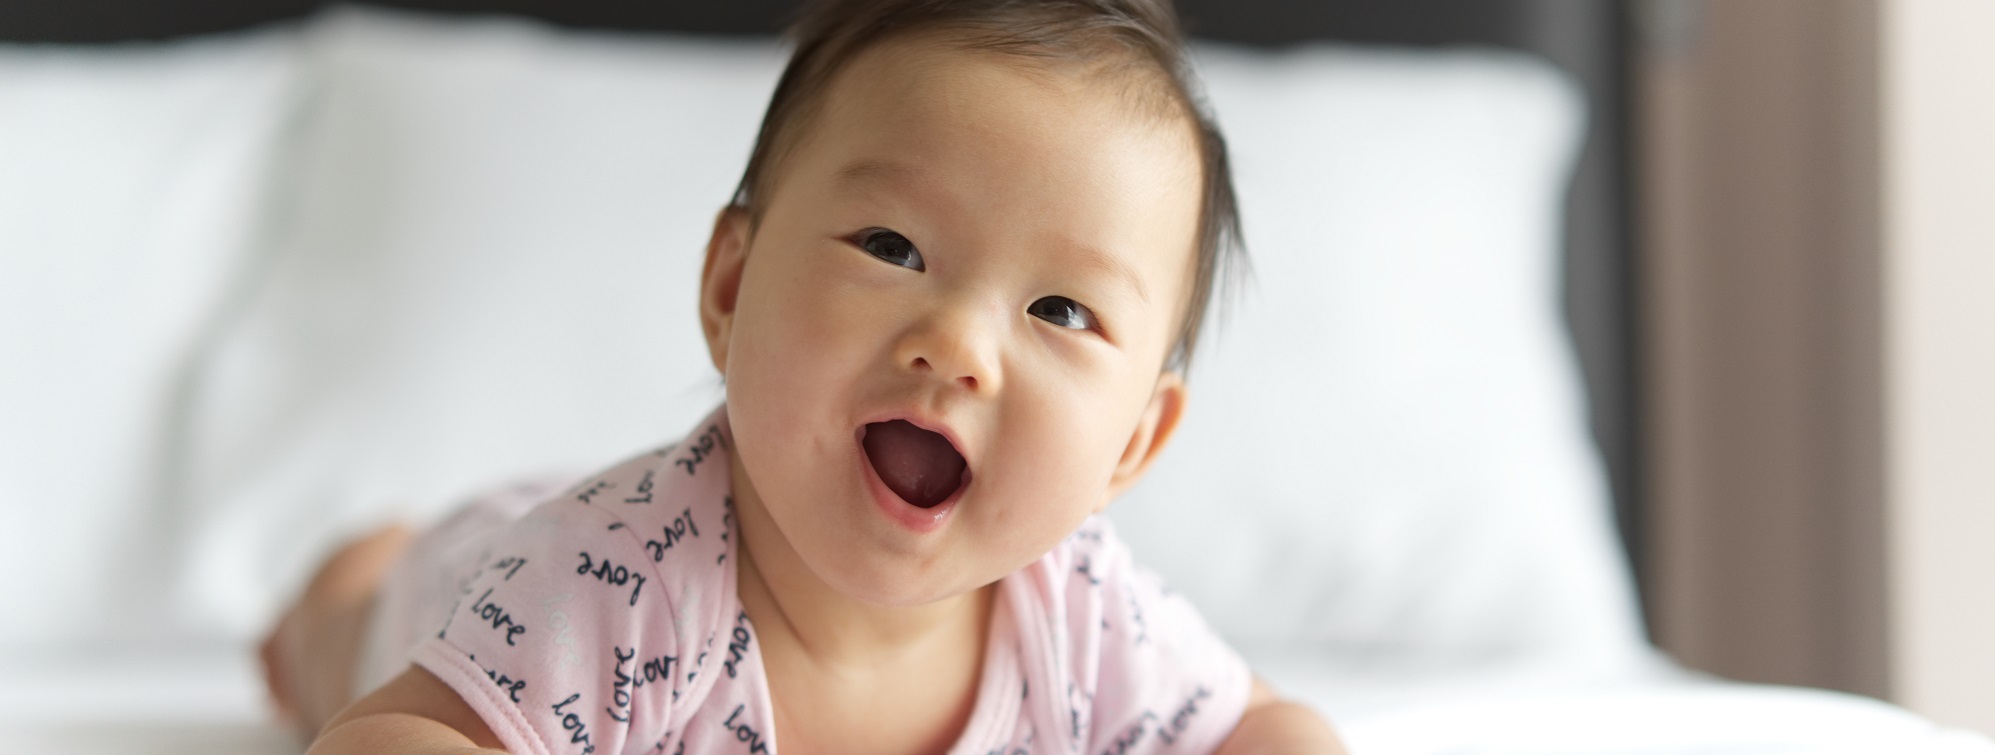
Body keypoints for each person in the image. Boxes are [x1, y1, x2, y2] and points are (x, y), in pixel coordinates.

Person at [263, 0, 1347, 752]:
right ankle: (345, 586)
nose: (959, 345)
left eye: (1061, 310)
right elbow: (386, 734)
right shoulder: (614, 590)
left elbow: (1262, 723)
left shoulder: (1087, 622)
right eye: (890, 246)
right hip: (480, 581)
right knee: (349, 634)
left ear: (1132, 443)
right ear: (731, 288)